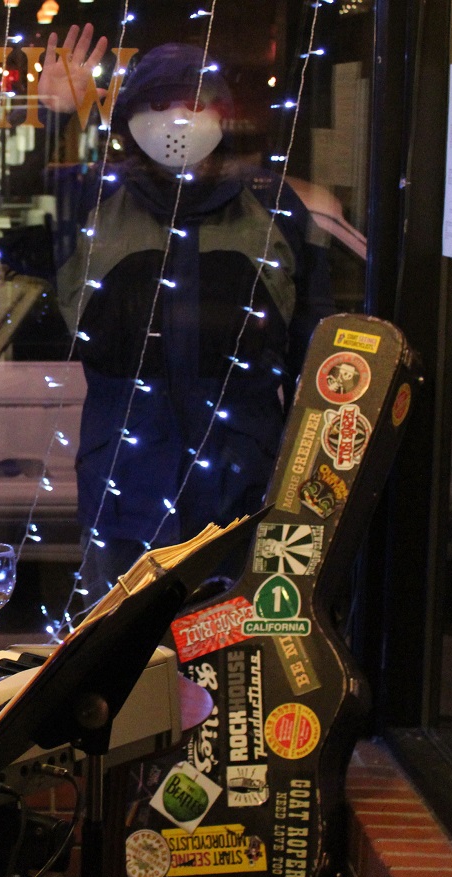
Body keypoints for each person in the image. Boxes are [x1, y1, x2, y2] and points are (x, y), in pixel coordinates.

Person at [43, 37, 335, 597]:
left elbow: (313, 353)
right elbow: (12, 231)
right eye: (158, 104)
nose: (177, 119)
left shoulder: (272, 208)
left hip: (243, 490)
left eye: (195, 103)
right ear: (130, 117)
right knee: (123, 646)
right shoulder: (91, 203)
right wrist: (54, 122)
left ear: (222, 113)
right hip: (124, 490)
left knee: (235, 643)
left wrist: (306, 478)